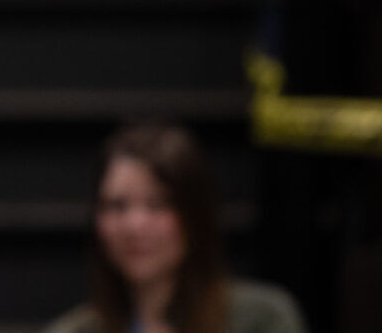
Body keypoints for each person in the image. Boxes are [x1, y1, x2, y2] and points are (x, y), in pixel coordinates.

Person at [43, 123, 306, 333]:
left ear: (194, 214)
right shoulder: (73, 330)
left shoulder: (262, 319)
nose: (135, 225)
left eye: (157, 204)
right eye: (117, 206)